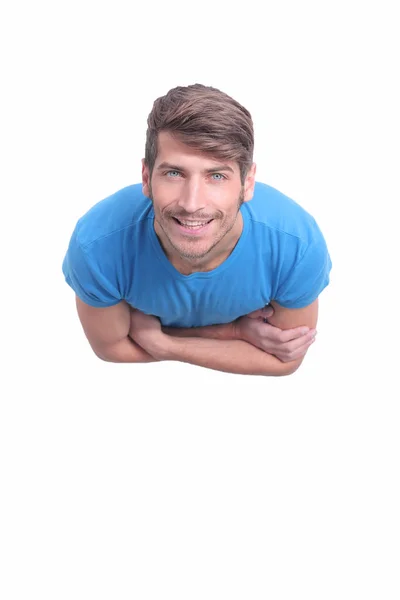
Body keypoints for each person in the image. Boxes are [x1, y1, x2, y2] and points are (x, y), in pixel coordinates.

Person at [62, 83, 332, 377]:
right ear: (146, 176)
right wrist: (232, 332)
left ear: (247, 183)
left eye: (216, 176)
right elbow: (111, 348)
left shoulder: (296, 246)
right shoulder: (97, 245)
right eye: (174, 173)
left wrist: (164, 344)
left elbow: (285, 361)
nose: (192, 204)